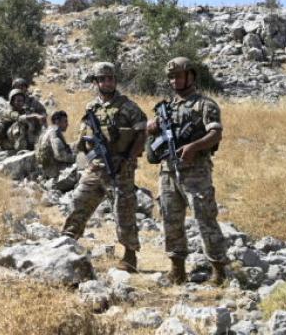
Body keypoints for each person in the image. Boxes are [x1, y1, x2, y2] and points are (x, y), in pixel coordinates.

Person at [147, 57, 229, 285]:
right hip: (168, 172)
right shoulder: (167, 107)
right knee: (170, 220)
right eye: (171, 77)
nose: (174, 80)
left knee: (205, 218)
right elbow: (155, 139)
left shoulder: (205, 105)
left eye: (179, 75)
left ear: (191, 76)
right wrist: (152, 129)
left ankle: (219, 271)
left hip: (196, 173)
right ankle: (177, 269)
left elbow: (216, 133)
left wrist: (195, 146)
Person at [61, 62, 147, 272]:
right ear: (96, 82)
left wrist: (128, 158)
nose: (107, 82)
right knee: (79, 200)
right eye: (103, 79)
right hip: (96, 167)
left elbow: (141, 133)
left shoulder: (128, 106)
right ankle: (67, 244)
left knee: (124, 211)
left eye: (111, 78)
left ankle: (129, 256)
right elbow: (85, 137)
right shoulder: (92, 107)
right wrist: (90, 156)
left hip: (120, 168)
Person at [35, 110, 75, 179]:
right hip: (52, 170)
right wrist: (75, 158)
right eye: (65, 121)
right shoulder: (54, 133)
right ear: (57, 122)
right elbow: (60, 156)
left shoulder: (48, 130)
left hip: (46, 167)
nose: (67, 124)